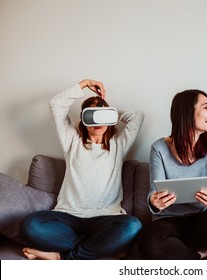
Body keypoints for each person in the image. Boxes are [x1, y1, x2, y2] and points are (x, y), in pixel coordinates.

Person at [19, 79, 144, 260]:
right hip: (68, 217)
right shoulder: (72, 142)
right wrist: (84, 84)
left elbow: (137, 117)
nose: (97, 121)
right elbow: (57, 104)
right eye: (91, 116)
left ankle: (62, 256)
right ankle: (100, 247)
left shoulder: (118, 146)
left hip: (105, 218)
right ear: (84, 120)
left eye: (102, 116)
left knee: (133, 226)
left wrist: (109, 113)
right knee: (30, 225)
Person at [137, 89, 207, 259]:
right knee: (147, 242)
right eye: (206, 107)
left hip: (202, 219)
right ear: (187, 112)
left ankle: (179, 251)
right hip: (169, 220)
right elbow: (154, 191)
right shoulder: (159, 148)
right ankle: (200, 254)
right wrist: (154, 201)